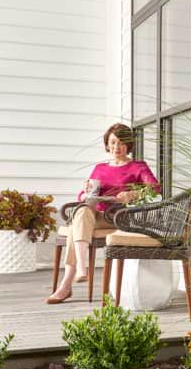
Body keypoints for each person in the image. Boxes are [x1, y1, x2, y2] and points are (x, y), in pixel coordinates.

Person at [46, 123, 159, 304]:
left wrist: (131, 195)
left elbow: (155, 189)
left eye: (121, 143)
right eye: (113, 142)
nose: (116, 147)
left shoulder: (138, 167)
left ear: (128, 145)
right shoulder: (100, 168)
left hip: (119, 217)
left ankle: (66, 284)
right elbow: (85, 196)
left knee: (76, 223)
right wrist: (85, 193)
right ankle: (82, 269)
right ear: (107, 144)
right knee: (81, 212)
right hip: (98, 216)